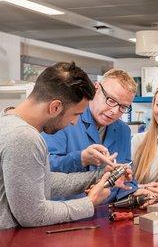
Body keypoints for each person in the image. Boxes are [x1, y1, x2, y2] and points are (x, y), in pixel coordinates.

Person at [0, 62, 133, 230]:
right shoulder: (24, 136)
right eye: (75, 114)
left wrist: (98, 176)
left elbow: (43, 182)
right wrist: (89, 203)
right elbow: (33, 215)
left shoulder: (7, 123)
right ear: (55, 107)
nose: (75, 122)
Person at [42, 69, 139, 203]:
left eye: (123, 107)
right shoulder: (66, 119)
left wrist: (133, 192)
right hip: (67, 210)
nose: (115, 111)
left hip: (106, 213)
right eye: (111, 100)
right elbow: (45, 166)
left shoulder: (123, 130)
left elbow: (124, 173)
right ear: (96, 88)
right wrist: (81, 159)